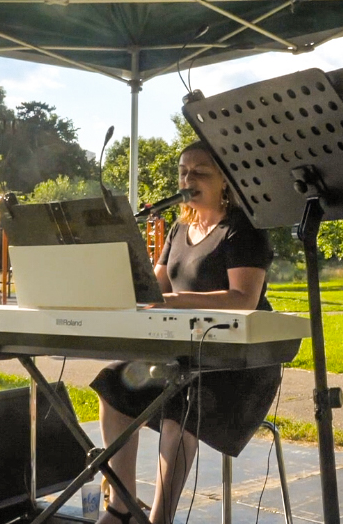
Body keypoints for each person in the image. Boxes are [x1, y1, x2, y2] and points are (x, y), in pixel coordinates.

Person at [93, 140, 279, 524]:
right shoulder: (180, 229)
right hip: (182, 354)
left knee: (181, 407)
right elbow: (155, 289)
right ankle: (122, 503)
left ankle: (161, 519)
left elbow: (244, 298)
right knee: (113, 383)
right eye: (183, 171)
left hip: (238, 363)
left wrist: (177, 300)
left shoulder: (244, 228)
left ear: (225, 179)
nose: (187, 178)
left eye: (200, 172)